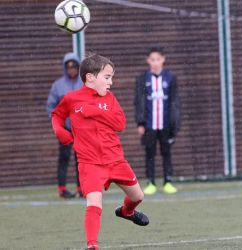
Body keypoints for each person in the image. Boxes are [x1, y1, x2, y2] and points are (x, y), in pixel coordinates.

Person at [51, 54, 149, 250]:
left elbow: (120, 124)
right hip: (90, 163)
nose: (111, 82)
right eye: (107, 77)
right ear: (90, 78)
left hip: (116, 160)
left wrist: (95, 111)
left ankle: (126, 212)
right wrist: (60, 132)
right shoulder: (71, 99)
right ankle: (92, 245)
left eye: (111, 77)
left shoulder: (110, 99)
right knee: (94, 203)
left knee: (138, 197)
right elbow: (57, 116)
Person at [135, 47, 181, 195]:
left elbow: (175, 102)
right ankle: (151, 182)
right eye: (152, 59)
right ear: (148, 61)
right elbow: (139, 101)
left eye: (158, 59)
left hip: (166, 124)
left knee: (166, 153)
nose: (155, 62)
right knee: (150, 153)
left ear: (163, 60)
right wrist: (140, 122)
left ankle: (168, 181)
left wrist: (175, 123)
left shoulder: (170, 78)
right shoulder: (142, 79)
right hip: (149, 125)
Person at [47, 52, 83, 198]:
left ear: (78, 67)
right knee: (64, 157)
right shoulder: (58, 86)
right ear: (65, 68)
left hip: (82, 129)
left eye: (74, 66)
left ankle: (82, 188)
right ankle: (62, 189)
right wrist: (58, 124)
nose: (71, 69)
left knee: (81, 159)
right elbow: (51, 106)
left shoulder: (85, 84)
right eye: (68, 67)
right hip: (65, 129)